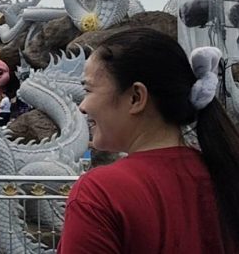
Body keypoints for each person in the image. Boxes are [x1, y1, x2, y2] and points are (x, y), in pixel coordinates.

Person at [59, 28, 239, 253]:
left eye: (88, 90)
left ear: (136, 97)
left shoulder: (99, 194)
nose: (82, 106)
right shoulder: (226, 172)